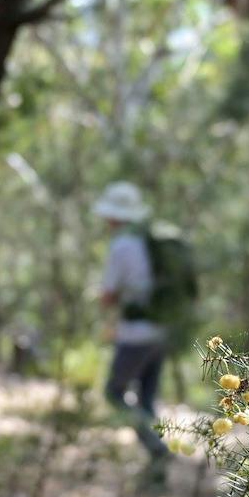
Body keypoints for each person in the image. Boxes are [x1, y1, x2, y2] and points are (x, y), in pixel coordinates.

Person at [93, 180, 170, 471]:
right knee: (146, 399)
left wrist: (102, 300)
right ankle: (157, 469)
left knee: (114, 393)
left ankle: (157, 448)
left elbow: (109, 295)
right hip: (161, 332)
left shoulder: (122, 246)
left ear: (115, 216)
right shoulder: (150, 241)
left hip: (135, 335)